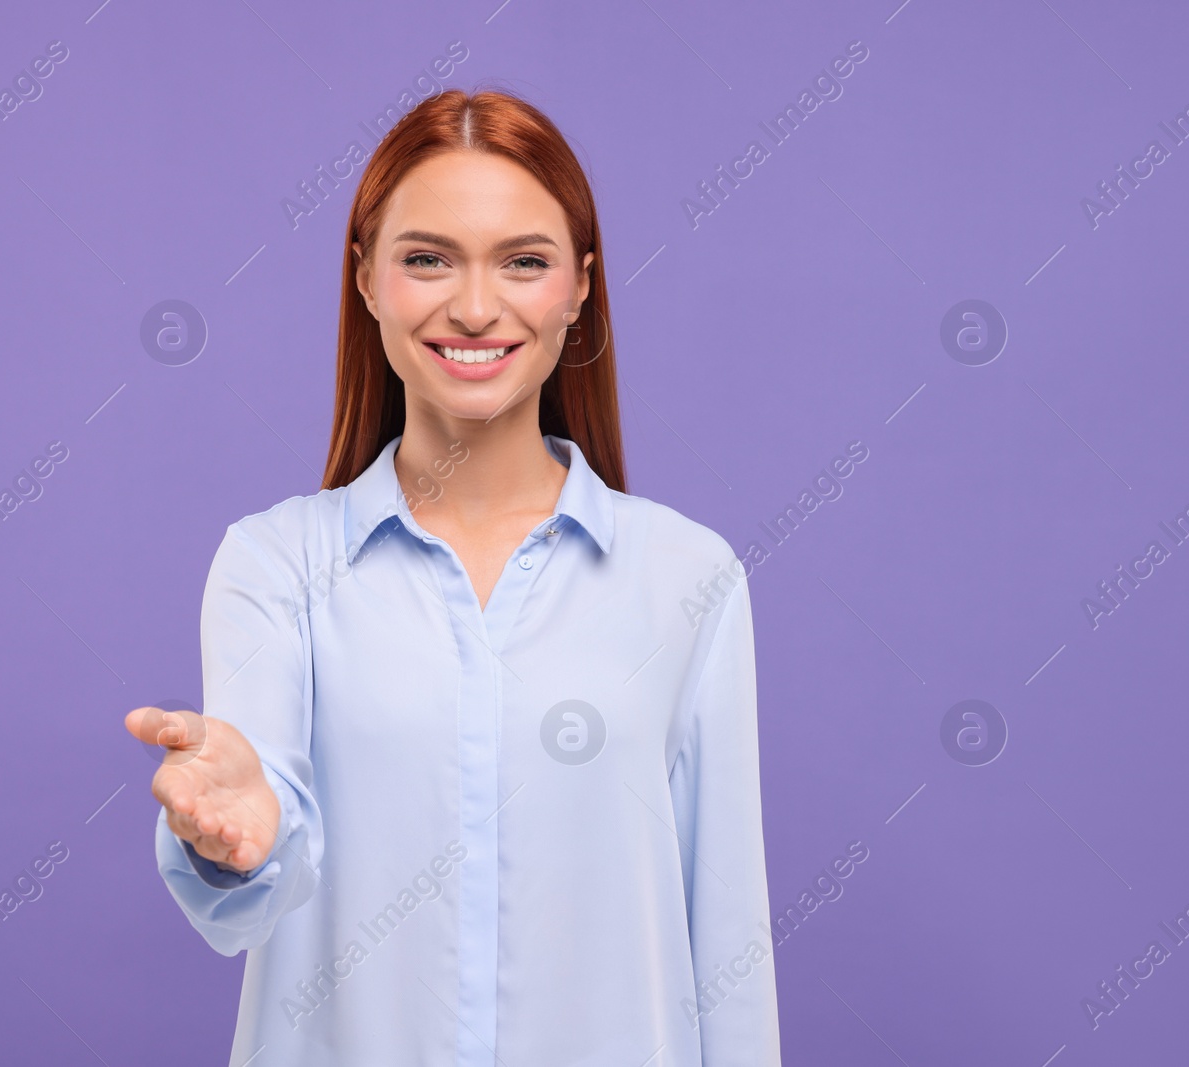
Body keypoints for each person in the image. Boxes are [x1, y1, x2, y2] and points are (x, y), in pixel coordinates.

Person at [122, 87, 781, 1066]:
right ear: (367, 280)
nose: (475, 306)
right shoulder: (275, 565)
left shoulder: (687, 577)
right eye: (427, 259)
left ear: (581, 287)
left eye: (524, 261)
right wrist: (237, 833)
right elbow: (266, 850)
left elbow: (726, 940)